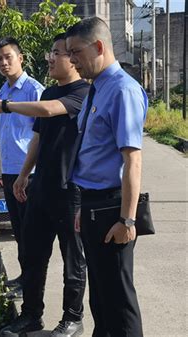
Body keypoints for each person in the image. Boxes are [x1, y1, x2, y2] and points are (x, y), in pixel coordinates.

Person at [0, 33, 88, 337]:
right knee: (32, 255)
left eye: (58, 52)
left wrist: (7, 106)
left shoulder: (83, 92)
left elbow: (48, 111)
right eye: (51, 52)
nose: (51, 58)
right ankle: (31, 315)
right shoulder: (49, 92)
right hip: (41, 186)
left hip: (71, 191)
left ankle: (72, 317)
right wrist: (23, 174)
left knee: (73, 260)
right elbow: (38, 137)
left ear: (74, 57)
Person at [65, 17, 148, 337]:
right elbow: (91, 156)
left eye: (76, 51)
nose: (71, 59)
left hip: (112, 208)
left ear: (98, 46)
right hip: (90, 204)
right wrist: (80, 210)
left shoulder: (123, 90)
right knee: (100, 296)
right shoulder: (96, 89)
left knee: (119, 300)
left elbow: (133, 160)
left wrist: (127, 220)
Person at [0, 37, 45, 289]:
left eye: (8, 57)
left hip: (30, 174)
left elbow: (40, 135)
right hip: (9, 172)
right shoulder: (2, 91)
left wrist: (25, 174)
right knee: (19, 232)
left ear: (20, 58)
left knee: (33, 234)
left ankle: (34, 285)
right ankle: (26, 279)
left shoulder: (34, 90)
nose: (3, 63)